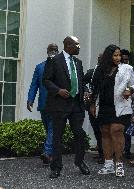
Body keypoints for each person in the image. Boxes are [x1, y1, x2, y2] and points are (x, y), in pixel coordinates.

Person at [43, 36, 90, 178]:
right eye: (77, 44)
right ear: (68, 45)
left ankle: (80, 161)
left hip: (76, 105)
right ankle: (56, 167)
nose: (79, 47)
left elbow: (81, 82)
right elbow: (46, 80)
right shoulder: (54, 61)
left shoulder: (78, 62)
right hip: (59, 104)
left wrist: (86, 91)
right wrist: (58, 90)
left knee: (80, 134)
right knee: (57, 136)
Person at [90, 44, 134, 177]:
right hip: (104, 106)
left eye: (119, 55)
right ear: (108, 56)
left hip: (121, 105)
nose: (118, 58)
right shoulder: (100, 70)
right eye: (115, 55)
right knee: (105, 133)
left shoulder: (127, 68)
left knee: (116, 130)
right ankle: (108, 164)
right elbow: (95, 89)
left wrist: (131, 90)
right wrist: (93, 104)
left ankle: (119, 163)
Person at [27, 43, 58, 164]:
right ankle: (50, 154)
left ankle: (47, 151)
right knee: (48, 128)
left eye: (55, 50)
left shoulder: (61, 66)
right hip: (43, 104)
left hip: (57, 104)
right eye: (51, 49)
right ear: (47, 51)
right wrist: (30, 99)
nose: (53, 51)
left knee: (52, 128)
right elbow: (34, 84)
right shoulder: (39, 67)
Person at [83, 53, 104, 164]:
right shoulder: (91, 73)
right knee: (97, 131)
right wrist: (86, 90)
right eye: (100, 59)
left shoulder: (109, 73)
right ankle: (101, 153)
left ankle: (107, 154)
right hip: (92, 106)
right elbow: (82, 82)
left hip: (105, 107)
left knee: (104, 131)